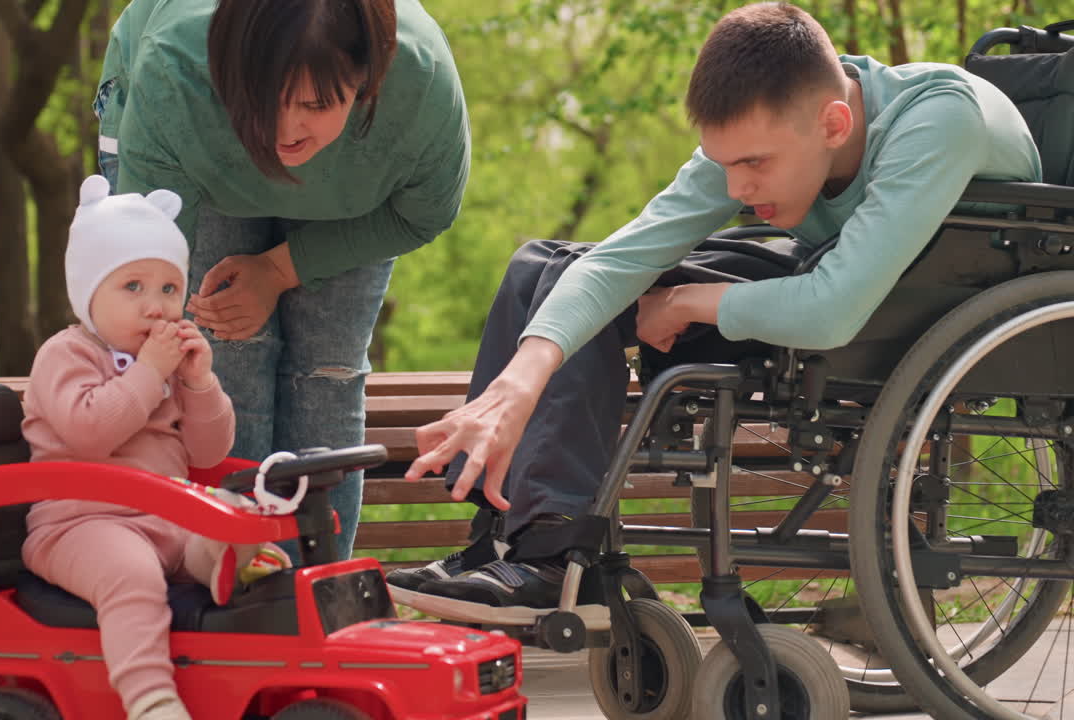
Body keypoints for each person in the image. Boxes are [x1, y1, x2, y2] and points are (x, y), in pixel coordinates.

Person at [388, 1, 1042, 622]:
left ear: (835, 126)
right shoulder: (773, 122)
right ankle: (508, 531)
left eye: (754, 165)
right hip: (824, 277)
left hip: (902, 310)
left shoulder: (938, 117)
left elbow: (833, 311)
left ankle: (554, 557)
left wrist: (688, 300)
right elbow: (621, 258)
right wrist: (517, 383)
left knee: (630, 289)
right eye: (725, 164)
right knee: (547, 266)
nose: (734, 188)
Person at [92, 0, 470, 562]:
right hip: (202, 159)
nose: (284, 129)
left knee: (327, 371)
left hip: (358, 187)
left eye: (316, 104)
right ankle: (227, 586)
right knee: (220, 357)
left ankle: (320, 591)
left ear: (366, 82)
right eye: (265, 101)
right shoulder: (175, 68)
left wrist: (277, 270)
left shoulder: (420, 84)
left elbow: (423, 212)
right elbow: (150, 257)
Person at [21, 175, 291, 720]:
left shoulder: (165, 366)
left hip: (167, 516)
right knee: (133, 576)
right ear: (87, 295)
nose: (156, 307)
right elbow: (90, 431)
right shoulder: (65, 354)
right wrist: (150, 373)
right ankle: (150, 700)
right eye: (132, 288)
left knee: (234, 523)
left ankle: (225, 556)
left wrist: (197, 383)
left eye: (169, 289)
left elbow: (210, 452)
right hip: (81, 524)